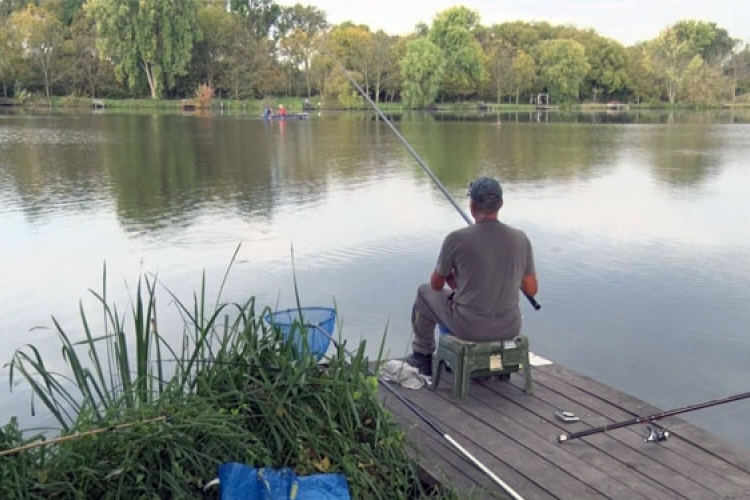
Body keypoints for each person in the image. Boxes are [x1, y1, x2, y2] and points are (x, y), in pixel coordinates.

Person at [406, 176, 538, 376]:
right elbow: (531, 289)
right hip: (509, 326)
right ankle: (498, 367)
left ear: (472, 205)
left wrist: (452, 276)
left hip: (470, 327)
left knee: (423, 292)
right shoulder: (521, 238)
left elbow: (435, 284)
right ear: (500, 204)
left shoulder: (456, 239)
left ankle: (422, 355)